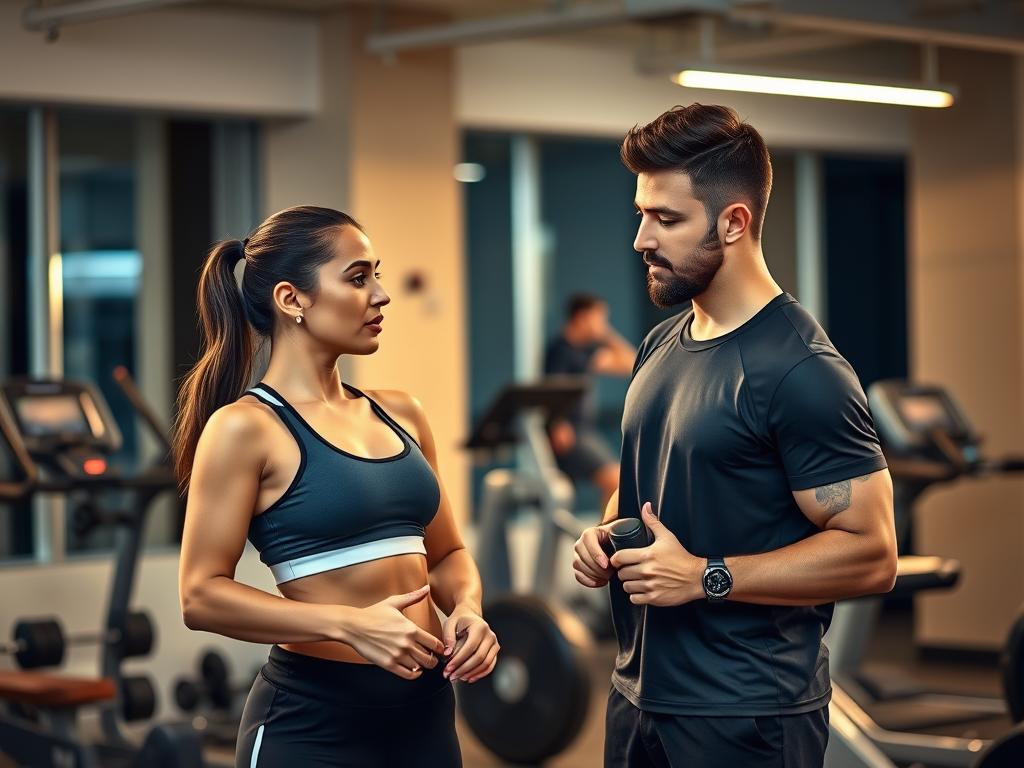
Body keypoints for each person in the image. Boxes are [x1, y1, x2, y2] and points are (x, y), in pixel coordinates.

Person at [571, 105, 898, 768]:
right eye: (641, 214)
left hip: (745, 715)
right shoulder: (661, 345)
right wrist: (605, 534)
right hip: (637, 702)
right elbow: (648, 491)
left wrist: (706, 576)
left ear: (734, 222)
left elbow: (872, 553)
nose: (641, 239)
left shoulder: (801, 371)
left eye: (666, 219)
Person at [173, 206, 497, 768]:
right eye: (357, 277)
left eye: (377, 274)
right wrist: (349, 623)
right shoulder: (245, 429)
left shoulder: (402, 414)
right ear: (291, 299)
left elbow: (447, 553)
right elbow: (200, 595)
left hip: (423, 710)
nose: (380, 294)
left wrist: (467, 608)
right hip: (312, 721)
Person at [544, 294, 636, 508]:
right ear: (582, 317)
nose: (602, 324)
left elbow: (631, 363)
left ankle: (603, 534)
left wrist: (607, 335)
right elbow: (551, 389)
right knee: (615, 479)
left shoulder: (586, 353)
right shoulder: (559, 350)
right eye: (599, 318)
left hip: (585, 431)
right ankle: (605, 536)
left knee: (616, 481)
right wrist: (557, 423)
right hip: (570, 433)